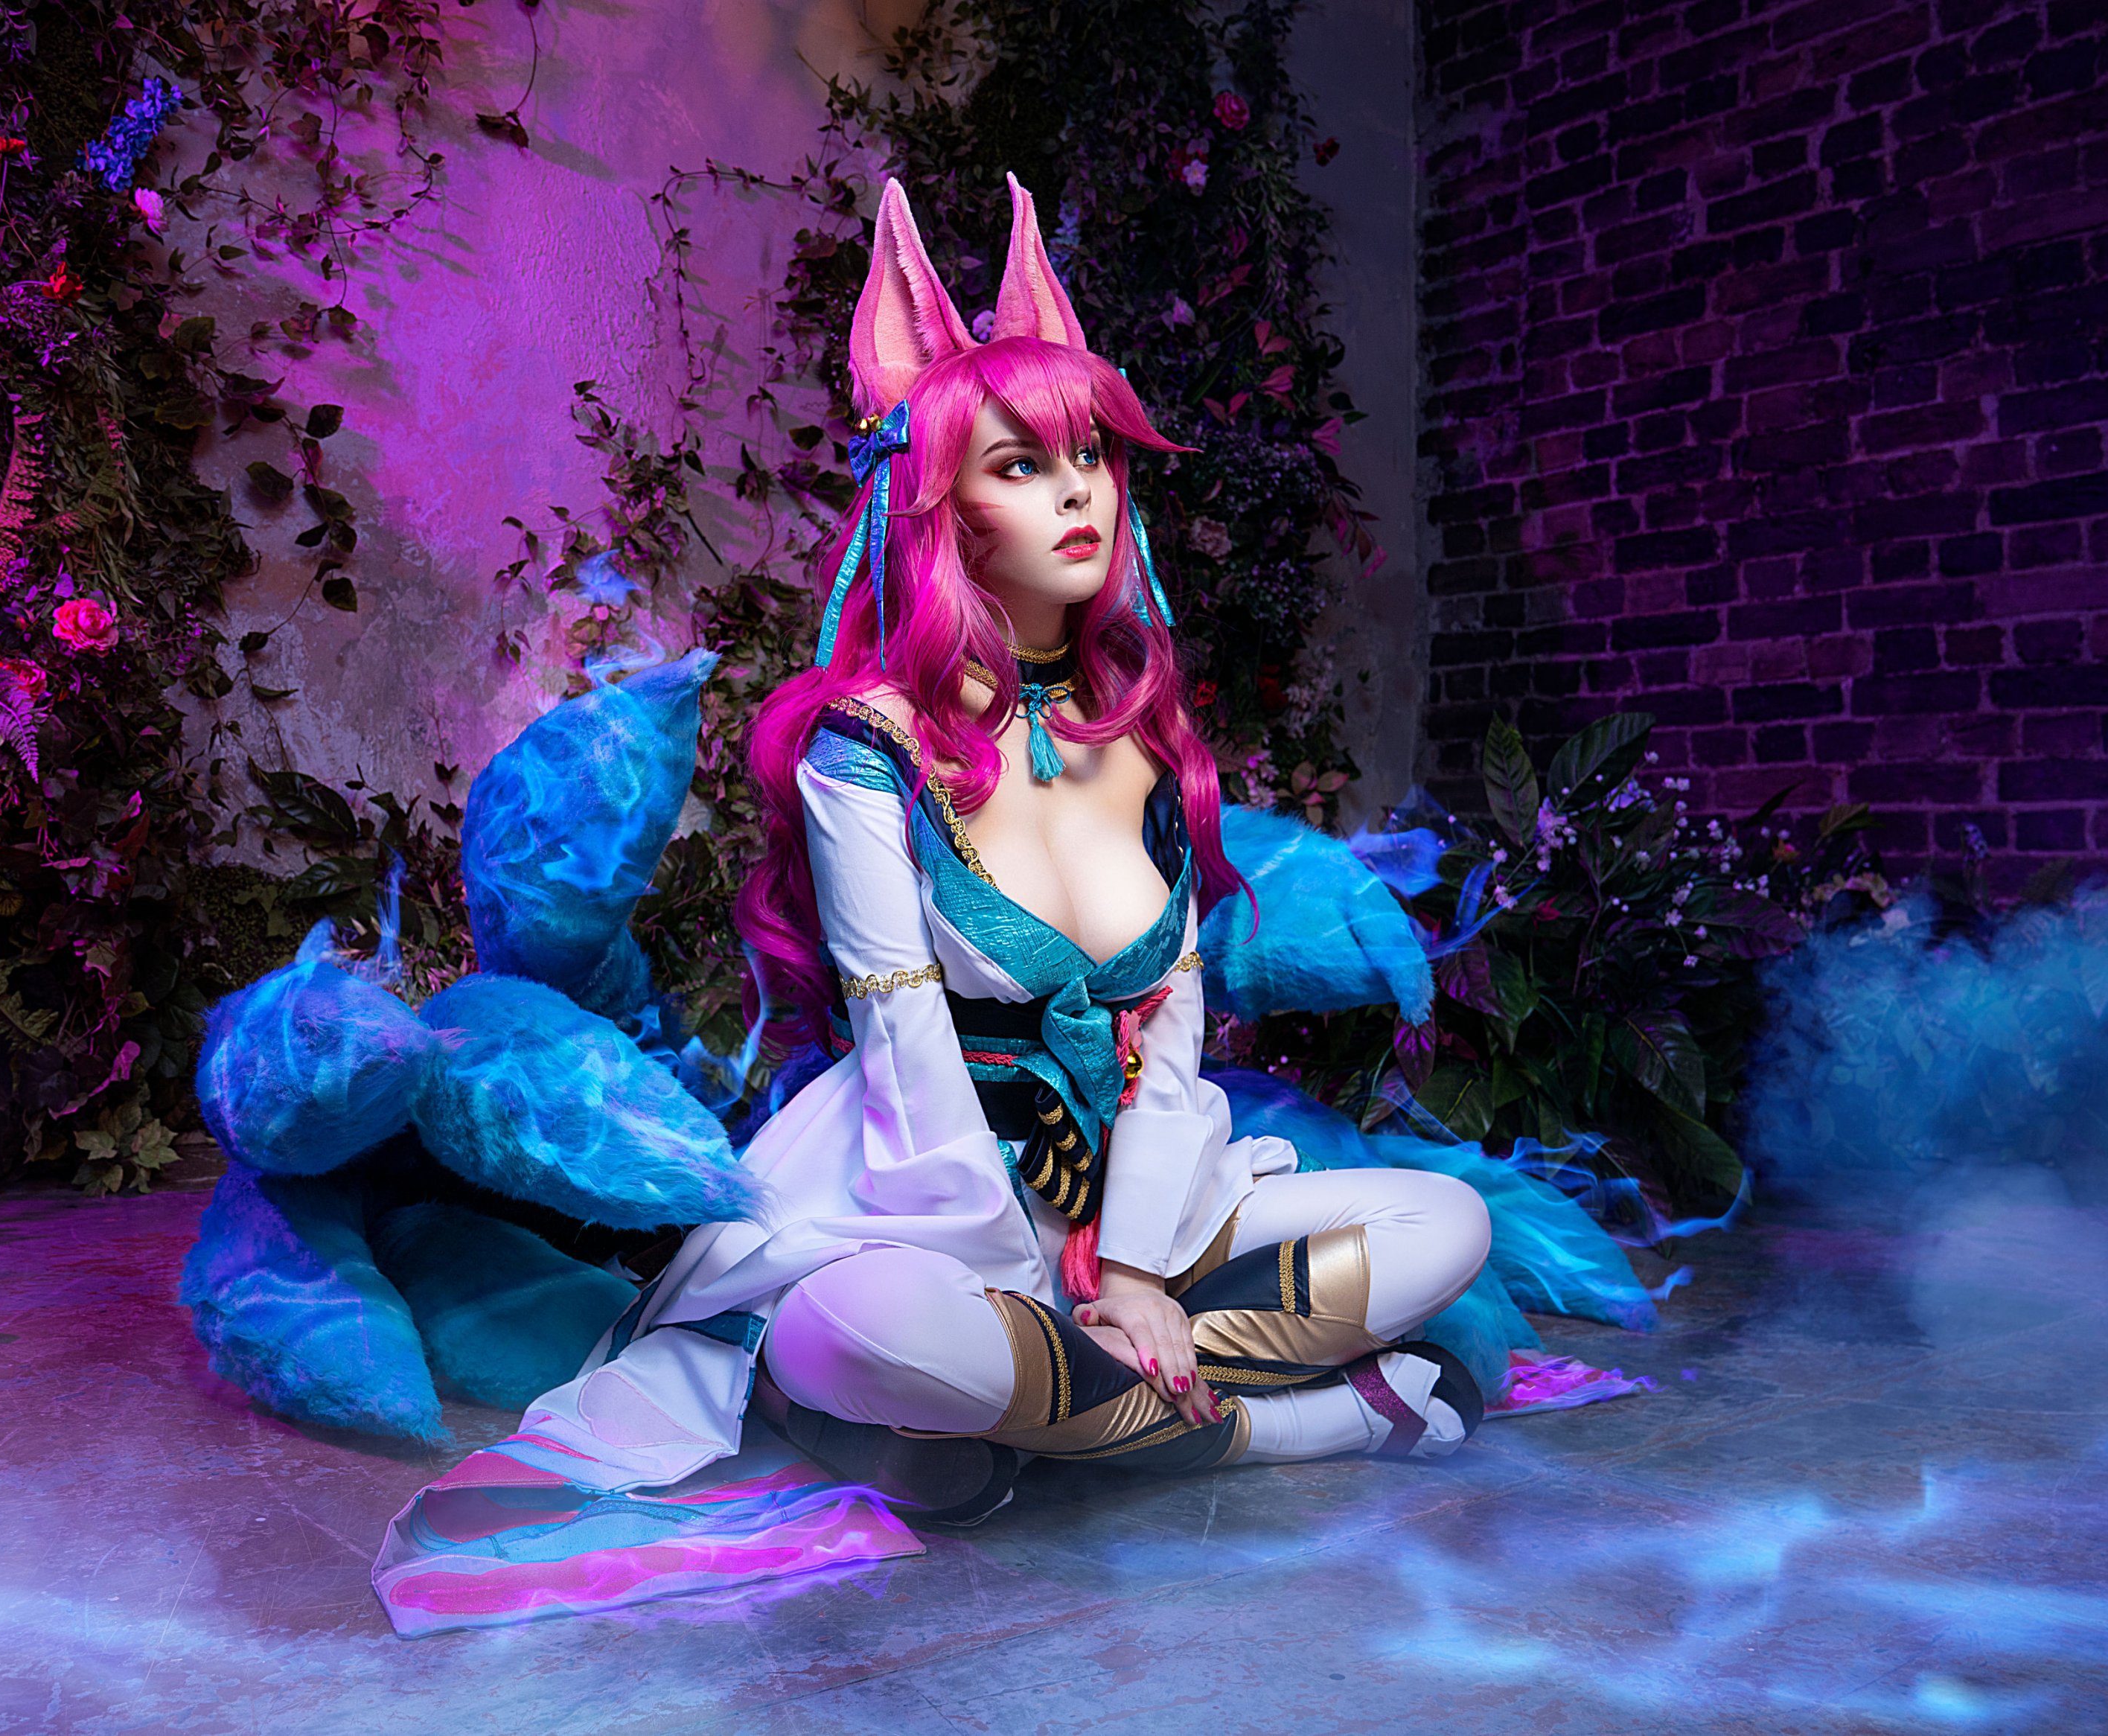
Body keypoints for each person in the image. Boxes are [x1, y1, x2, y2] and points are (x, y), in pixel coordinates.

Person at [509, 176, 1492, 1525]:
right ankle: (1297, 1425)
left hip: (1147, 1193)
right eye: (1021, 465)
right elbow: (901, 1030)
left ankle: (1023, 1417)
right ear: (944, 508)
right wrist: (1034, 1289)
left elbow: (1174, 1031)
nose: (1079, 493)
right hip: (927, 1195)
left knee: (1447, 1227)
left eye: (1090, 456)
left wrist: (1129, 1272)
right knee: (865, 1335)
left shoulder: (1143, 733)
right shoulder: (866, 745)